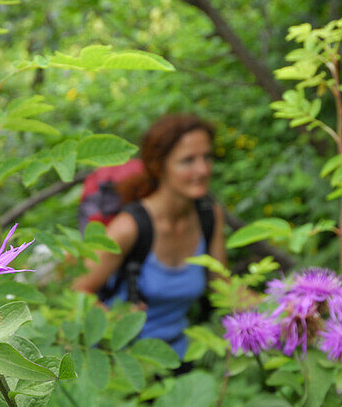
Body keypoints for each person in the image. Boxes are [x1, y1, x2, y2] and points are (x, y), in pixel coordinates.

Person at [72, 113, 226, 360]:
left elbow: (223, 289)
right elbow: (77, 289)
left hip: (178, 357)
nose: (203, 169)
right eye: (188, 160)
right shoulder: (130, 227)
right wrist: (112, 319)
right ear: (159, 166)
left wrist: (283, 304)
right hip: (119, 361)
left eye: (207, 157)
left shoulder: (209, 214)